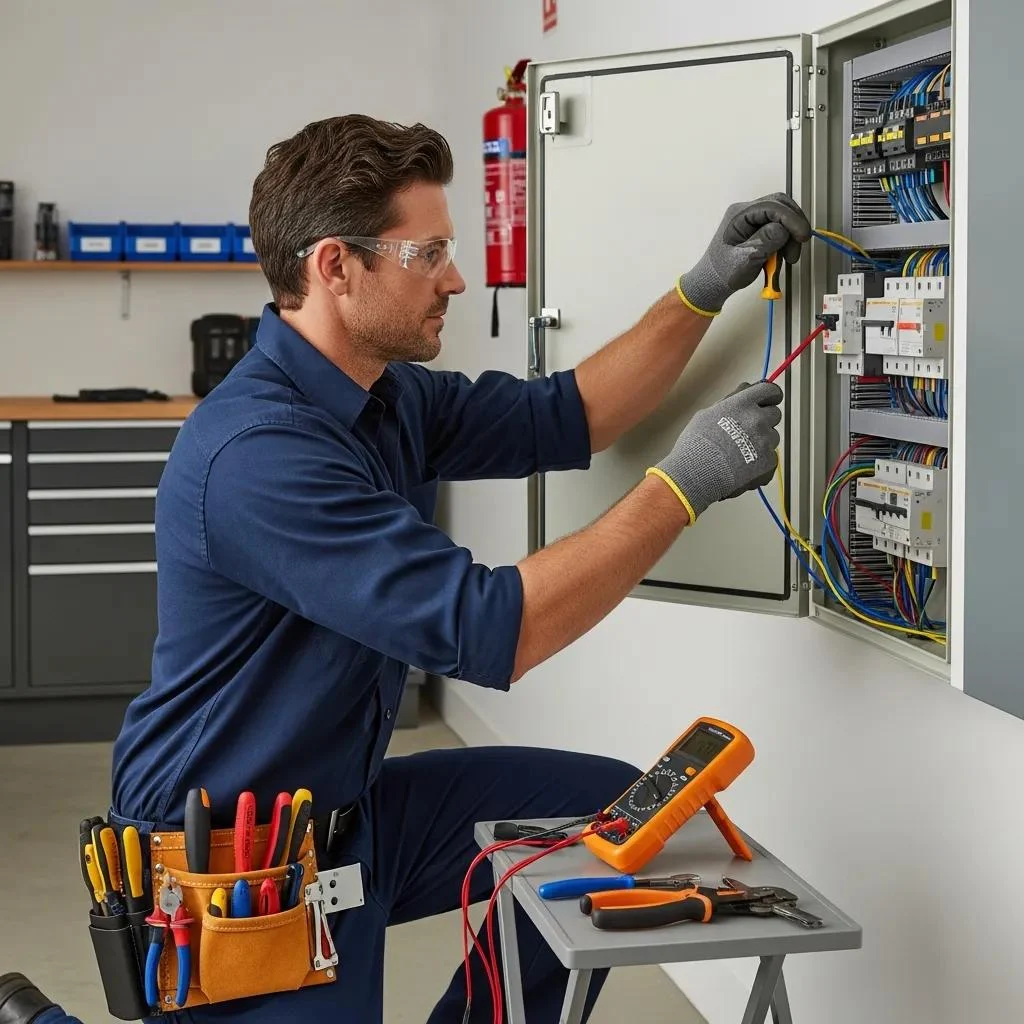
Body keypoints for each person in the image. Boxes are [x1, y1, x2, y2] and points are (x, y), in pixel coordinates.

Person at [8, 115, 809, 1024]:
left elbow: (571, 414)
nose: (455, 278)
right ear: (334, 267)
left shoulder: (383, 394)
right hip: (236, 856)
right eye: (426, 252)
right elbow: (491, 630)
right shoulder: (260, 452)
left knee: (602, 813)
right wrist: (687, 484)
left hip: (352, 810)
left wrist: (702, 291)